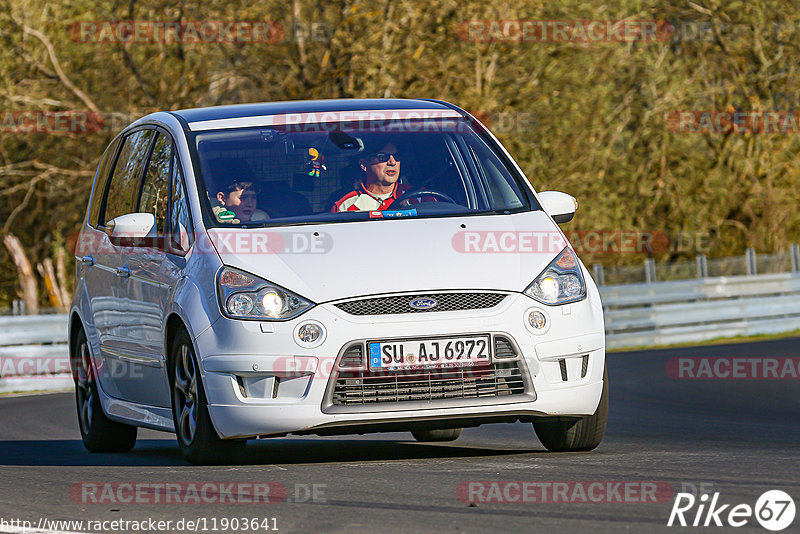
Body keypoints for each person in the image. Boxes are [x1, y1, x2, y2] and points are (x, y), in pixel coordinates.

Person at [331, 142, 416, 212]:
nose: (392, 162)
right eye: (382, 157)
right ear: (364, 165)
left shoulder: (419, 197)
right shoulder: (344, 206)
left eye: (397, 156)